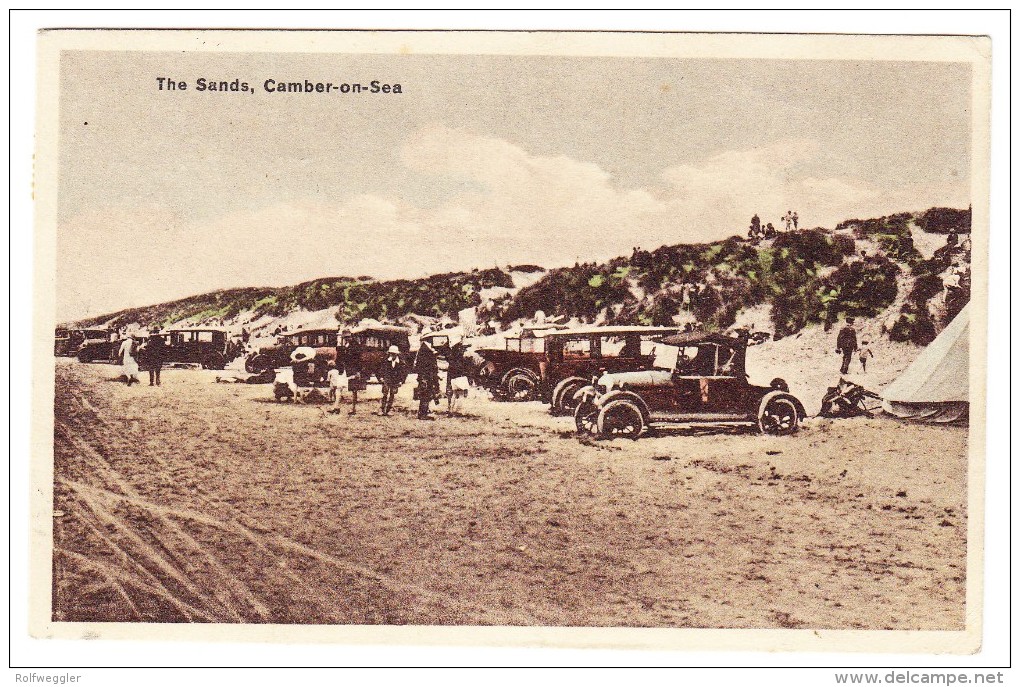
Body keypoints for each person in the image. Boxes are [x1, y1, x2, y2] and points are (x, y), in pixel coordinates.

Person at [413, 336, 440, 420]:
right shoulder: (425, 349)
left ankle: (424, 412)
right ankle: (423, 414)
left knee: (427, 394)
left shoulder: (425, 348)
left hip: (426, 376)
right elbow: (423, 366)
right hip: (426, 376)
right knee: (425, 394)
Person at [378, 346, 408, 416]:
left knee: (392, 394)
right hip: (387, 379)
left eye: (394, 354)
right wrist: (381, 377)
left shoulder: (401, 362)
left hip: (395, 380)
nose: (392, 355)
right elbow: (381, 369)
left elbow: (403, 373)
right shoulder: (386, 361)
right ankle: (382, 408)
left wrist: (401, 381)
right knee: (385, 393)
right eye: (391, 354)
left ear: (397, 354)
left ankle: (389, 409)